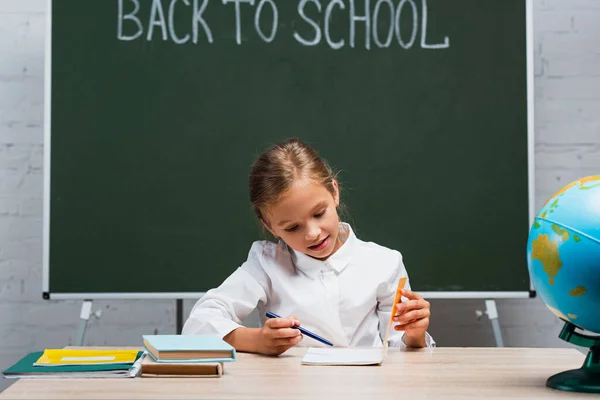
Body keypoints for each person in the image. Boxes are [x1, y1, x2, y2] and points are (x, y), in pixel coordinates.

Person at [182, 138, 434, 355]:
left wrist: (413, 335)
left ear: (334, 192)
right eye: (292, 228)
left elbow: (402, 353)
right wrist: (258, 341)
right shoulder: (267, 263)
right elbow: (198, 324)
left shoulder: (383, 263)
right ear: (270, 227)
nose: (313, 234)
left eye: (319, 213)